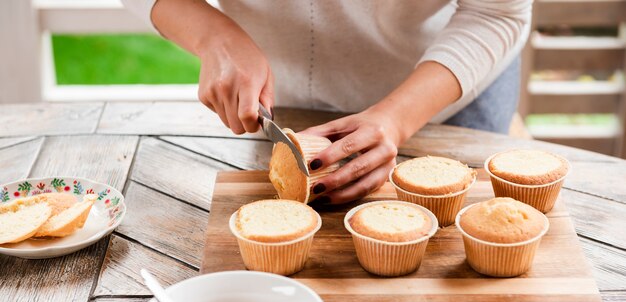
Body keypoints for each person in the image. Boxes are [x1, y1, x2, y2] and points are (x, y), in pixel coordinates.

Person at [123, 0, 531, 204]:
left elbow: (496, 12)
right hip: (281, 102)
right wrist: (211, 34)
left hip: (443, 82)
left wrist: (397, 118)